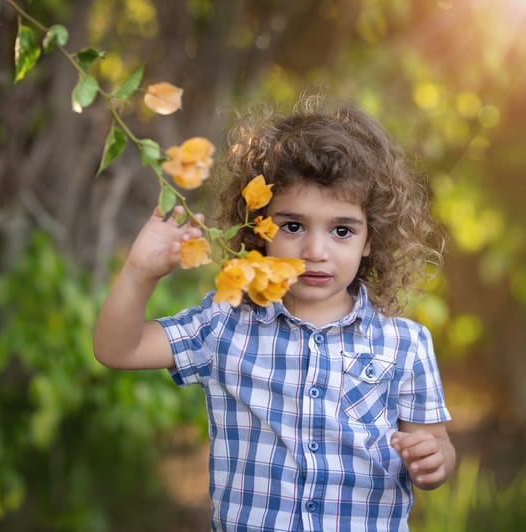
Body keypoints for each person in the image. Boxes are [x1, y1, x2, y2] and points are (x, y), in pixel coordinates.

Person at [93, 97, 456, 531]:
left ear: (369, 240)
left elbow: (436, 442)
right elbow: (118, 348)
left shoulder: (405, 345)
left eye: (341, 230)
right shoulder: (225, 324)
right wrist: (138, 272)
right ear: (259, 229)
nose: (315, 252)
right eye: (293, 226)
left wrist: (434, 460)